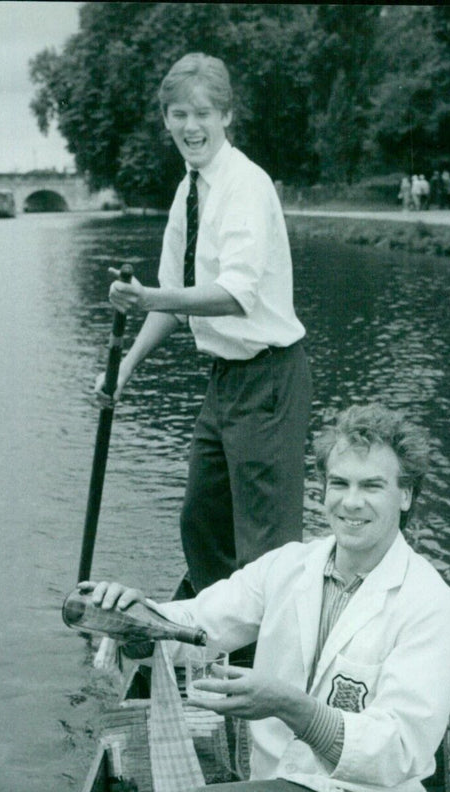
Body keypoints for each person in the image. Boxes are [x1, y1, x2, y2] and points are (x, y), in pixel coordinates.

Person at [88, 404, 450, 792]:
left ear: (406, 496)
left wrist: (292, 708)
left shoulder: (431, 606)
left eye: (373, 485)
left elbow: (401, 752)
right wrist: (135, 614)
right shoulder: (290, 566)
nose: (351, 502)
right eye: (338, 484)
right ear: (322, 492)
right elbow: (196, 622)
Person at [95, 52, 311, 594]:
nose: (190, 127)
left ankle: (259, 665)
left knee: (264, 546)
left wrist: (147, 297)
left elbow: (236, 296)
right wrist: (122, 370)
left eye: (202, 114)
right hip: (224, 382)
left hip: (269, 379)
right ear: (165, 119)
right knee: (201, 521)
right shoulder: (187, 189)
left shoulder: (245, 186)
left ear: (227, 116)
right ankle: (213, 646)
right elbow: (171, 302)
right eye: (177, 114)